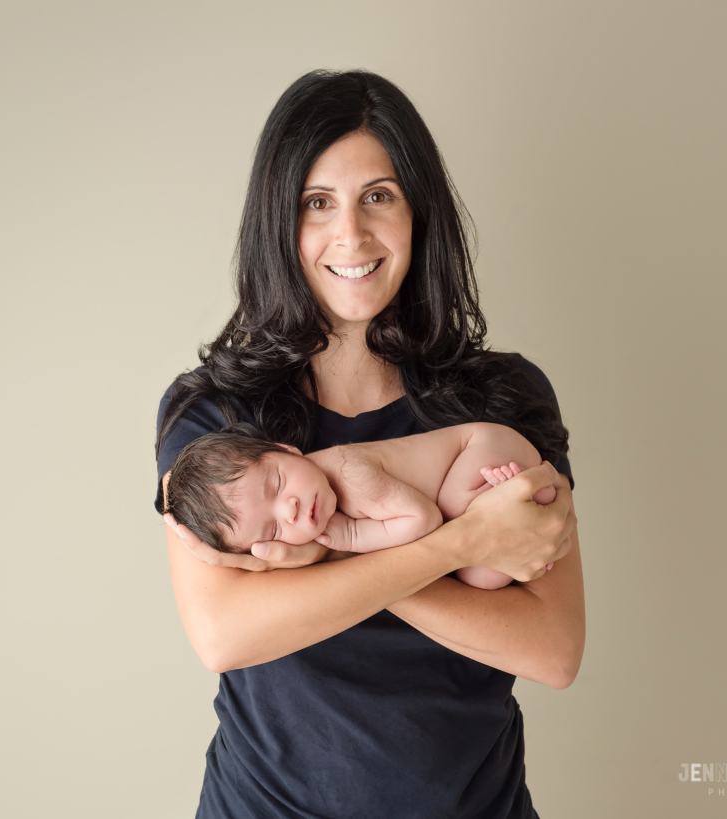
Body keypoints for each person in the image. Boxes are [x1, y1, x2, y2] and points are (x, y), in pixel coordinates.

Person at [156, 69, 585, 819]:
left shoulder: (504, 398)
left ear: (418, 212)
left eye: (377, 197)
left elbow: (553, 649)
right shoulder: (217, 416)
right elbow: (224, 633)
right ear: (278, 224)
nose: (350, 235)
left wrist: (326, 555)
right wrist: (466, 541)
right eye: (316, 204)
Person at [163, 423, 569, 590]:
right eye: (271, 532)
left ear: (284, 450)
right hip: (479, 472)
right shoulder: (312, 499)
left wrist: (351, 538)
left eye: (278, 484)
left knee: (454, 515)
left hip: (484, 447)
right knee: (481, 579)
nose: (288, 510)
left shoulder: (348, 472)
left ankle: (526, 496)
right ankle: (524, 503)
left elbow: (425, 519)